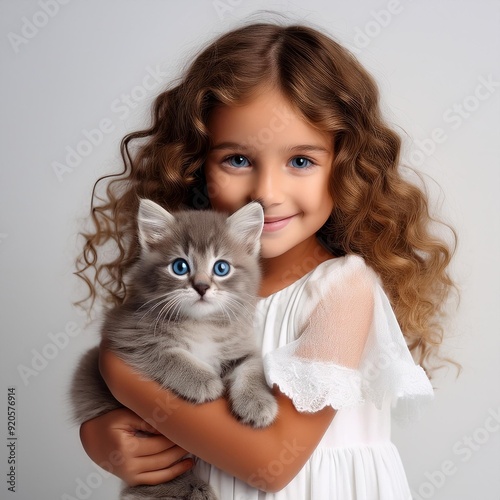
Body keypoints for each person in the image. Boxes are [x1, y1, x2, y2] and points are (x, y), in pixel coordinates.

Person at [75, 21, 457, 499]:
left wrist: (118, 369)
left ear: (344, 166)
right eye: (237, 159)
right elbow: (182, 429)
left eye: (300, 161)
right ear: (197, 164)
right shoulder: (189, 288)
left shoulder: (343, 289)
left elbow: (268, 465)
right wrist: (100, 433)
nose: (267, 193)